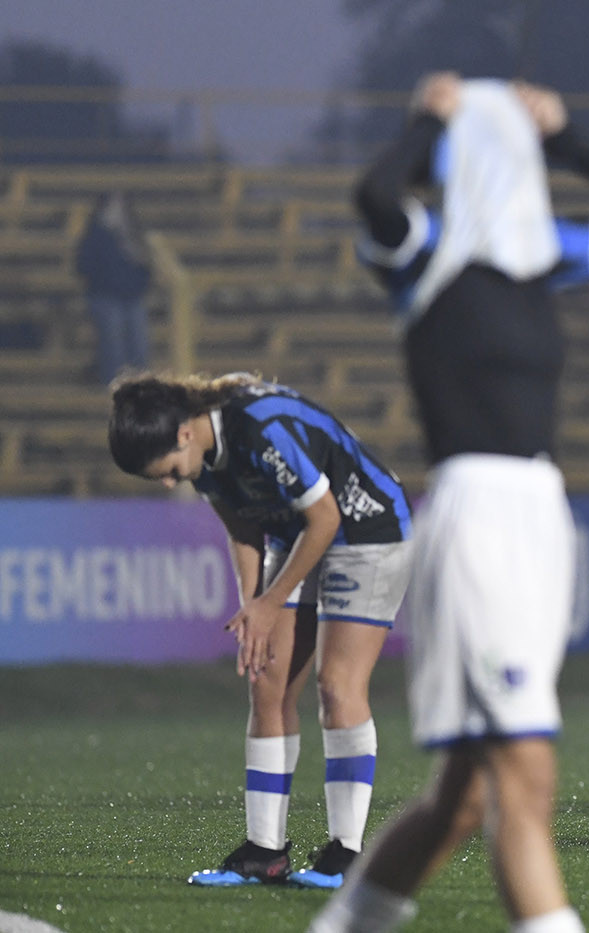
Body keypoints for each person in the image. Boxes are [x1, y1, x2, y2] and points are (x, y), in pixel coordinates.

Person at [313, 74, 589, 933]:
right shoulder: (425, 246)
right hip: (474, 513)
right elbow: (372, 193)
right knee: (524, 777)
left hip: (539, 516)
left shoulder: (538, 254)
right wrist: (425, 121)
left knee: (456, 801)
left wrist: (565, 138)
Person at [107, 372, 413, 887]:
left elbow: (325, 517)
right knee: (266, 683)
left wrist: (271, 601)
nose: (168, 481)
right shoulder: (204, 456)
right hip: (297, 535)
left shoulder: (258, 429)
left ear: (184, 433)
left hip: (366, 530)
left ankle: (346, 853)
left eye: (166, 471)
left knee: (337, 687)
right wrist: (254, 608)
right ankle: (264, 852)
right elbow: (243, 526)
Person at [77, 191, 152, 385]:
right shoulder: (95, 235)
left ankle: (141, 388)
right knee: (113, 348)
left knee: (139, 348)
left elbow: (145, 267)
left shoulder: (132, 236)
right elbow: (84, 266)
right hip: (106, 298)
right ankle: (114, 387)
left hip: (131, 298)